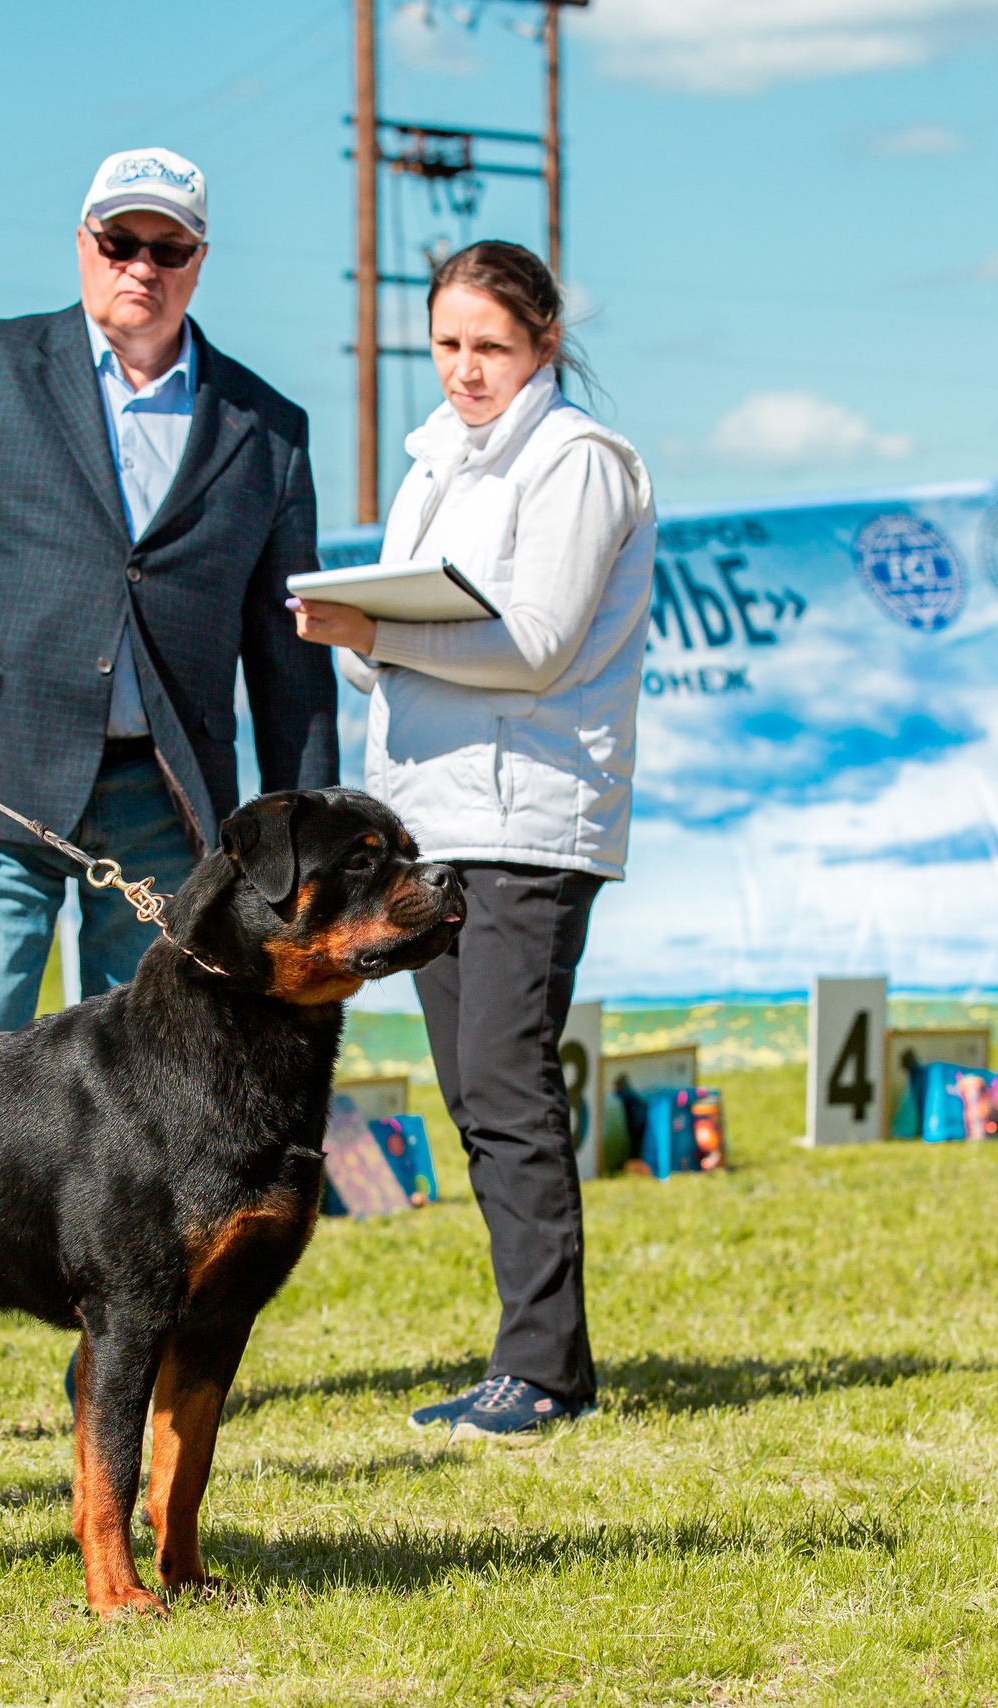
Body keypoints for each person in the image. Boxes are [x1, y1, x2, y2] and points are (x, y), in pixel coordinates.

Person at [0, 147, 338, 1448]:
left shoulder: (266, 425)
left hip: (174, 819)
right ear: (81, 247)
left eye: (167, 248)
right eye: (120, 243)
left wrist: (299, 841)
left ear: (199, 263)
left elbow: (288, 660)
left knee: (173, 1108)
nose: (141, 268)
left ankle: (155, 1362)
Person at [290, 240, 656, 1444]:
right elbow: (415, 632)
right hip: (430, 822)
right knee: (472, 1089)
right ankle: (533, 1357)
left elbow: (538, 642)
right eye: (445, 344)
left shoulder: (580, 462)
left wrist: (379, 636)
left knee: (505, 1085)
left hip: (529, 821)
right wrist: (357, 631)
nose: (464, 369)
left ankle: (542, 1371)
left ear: (545, 340)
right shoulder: (433, 461)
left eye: (491, 346)